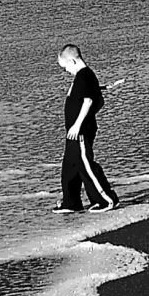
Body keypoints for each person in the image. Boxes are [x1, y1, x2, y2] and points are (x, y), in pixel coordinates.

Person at [54, 44, 118, 213]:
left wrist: (77, 125)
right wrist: (104, 87)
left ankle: (106, 199)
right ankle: (71, 202)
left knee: (85, 164)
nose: (66, 70)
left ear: (73, 61)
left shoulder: (84, 75)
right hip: (73, 131)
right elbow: (89, 92)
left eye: (66, 66)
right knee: (70, 166)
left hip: (80, 130)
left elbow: (88, 101)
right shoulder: (83, 77)